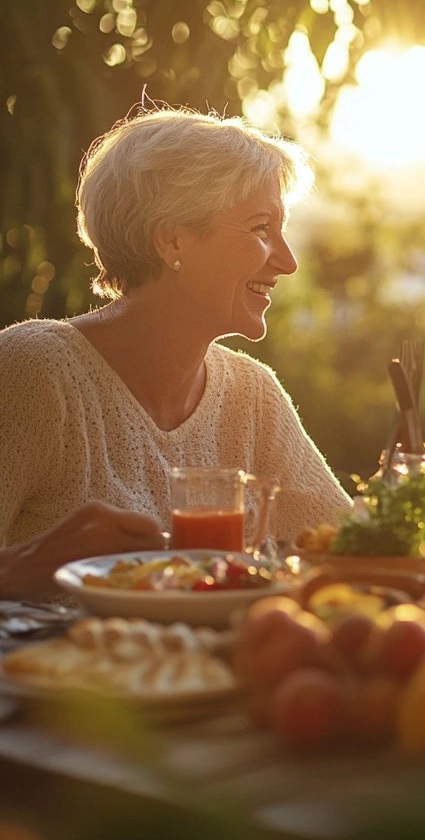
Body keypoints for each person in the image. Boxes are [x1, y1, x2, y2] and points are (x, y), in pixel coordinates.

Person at [0, 108, 351, 598]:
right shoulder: (35, 370)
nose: (288, 262)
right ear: (173, 240)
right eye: (260, 228)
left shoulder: (251, 394)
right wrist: (23, 568)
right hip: (50, 672)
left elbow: (357, 555)